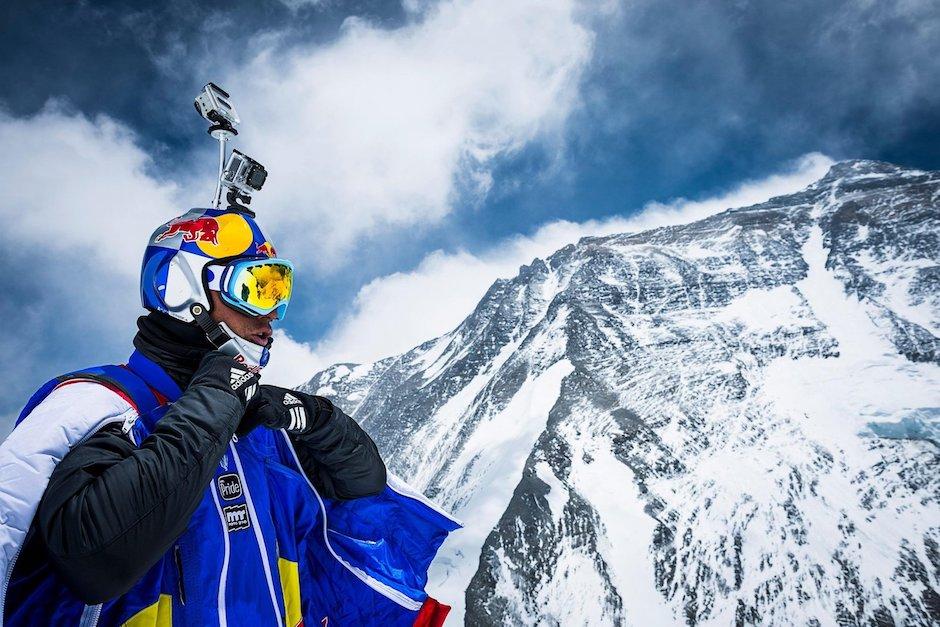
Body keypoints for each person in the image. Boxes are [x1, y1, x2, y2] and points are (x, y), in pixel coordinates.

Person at [0, 206, 459, 626]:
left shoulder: (254, 428)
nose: (272, 317)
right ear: (184, 293)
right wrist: (217, 398)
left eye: (279, 292)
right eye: (256, 290)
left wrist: (317, 418)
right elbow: (94, 560)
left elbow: (361, 486)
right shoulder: (103, 409)